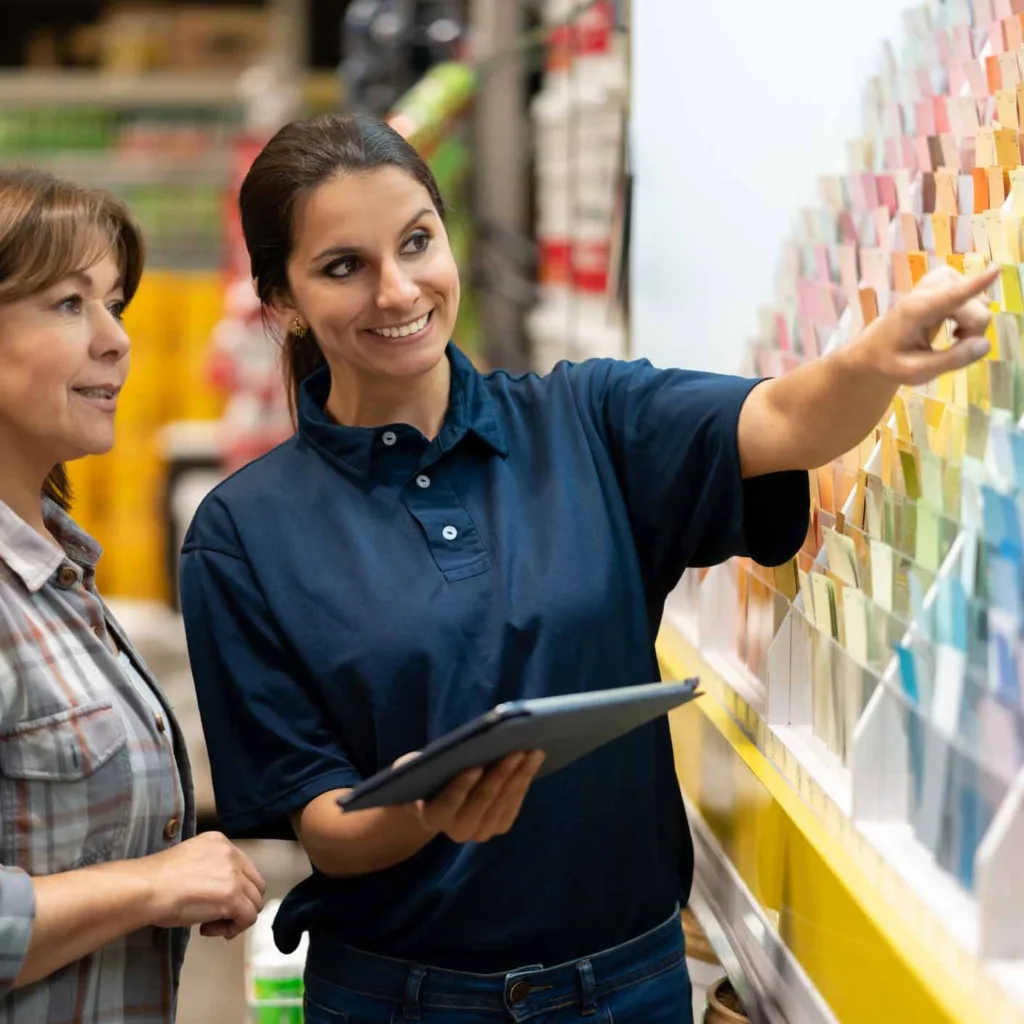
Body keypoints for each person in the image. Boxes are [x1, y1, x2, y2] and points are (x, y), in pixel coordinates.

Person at [178, 113, 996, 1024]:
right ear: (282, 301)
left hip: (627, 991)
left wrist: (876, 360)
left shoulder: (590, 421)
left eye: (418, 242)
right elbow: (326, 831)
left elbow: (787, 421)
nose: (398, 289)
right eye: (344, 267)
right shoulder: (243, 535)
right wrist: (428, 809)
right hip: (400, 1001)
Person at [0, 169, 267, 1023]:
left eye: (114, 303)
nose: (116, 341)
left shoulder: (54, 568)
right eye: (69, 304)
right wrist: (150, 884)